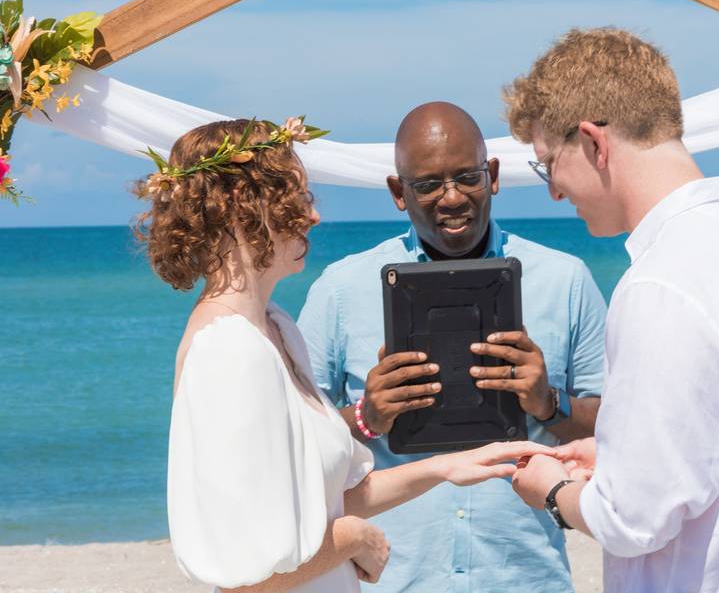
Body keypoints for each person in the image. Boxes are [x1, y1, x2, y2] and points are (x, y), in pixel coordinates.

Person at [133, 118, 551, 593]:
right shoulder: (230, 349)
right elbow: (242, 578)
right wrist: (353, 540)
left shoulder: (277, 328)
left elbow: (324, 504)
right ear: (242, 210)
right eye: (297, 200)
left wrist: (446, 468)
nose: (312, 218)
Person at [506, 28, 719, 592]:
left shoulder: (662, 281)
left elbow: (633, 518)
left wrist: (551, 489)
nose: (553, 192)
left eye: (549, 165)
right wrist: (619, 446)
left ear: (595, 143)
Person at [297, 101, 607, 591]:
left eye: (468, 177)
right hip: (392, 579)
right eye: (427, 185)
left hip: (525, 578)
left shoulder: (565, 280)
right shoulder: (339, 290)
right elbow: (294, 446)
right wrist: (366, 417)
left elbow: (616, 427)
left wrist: (547, 403)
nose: (452, 198)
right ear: (399, 193)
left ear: (495, 176)